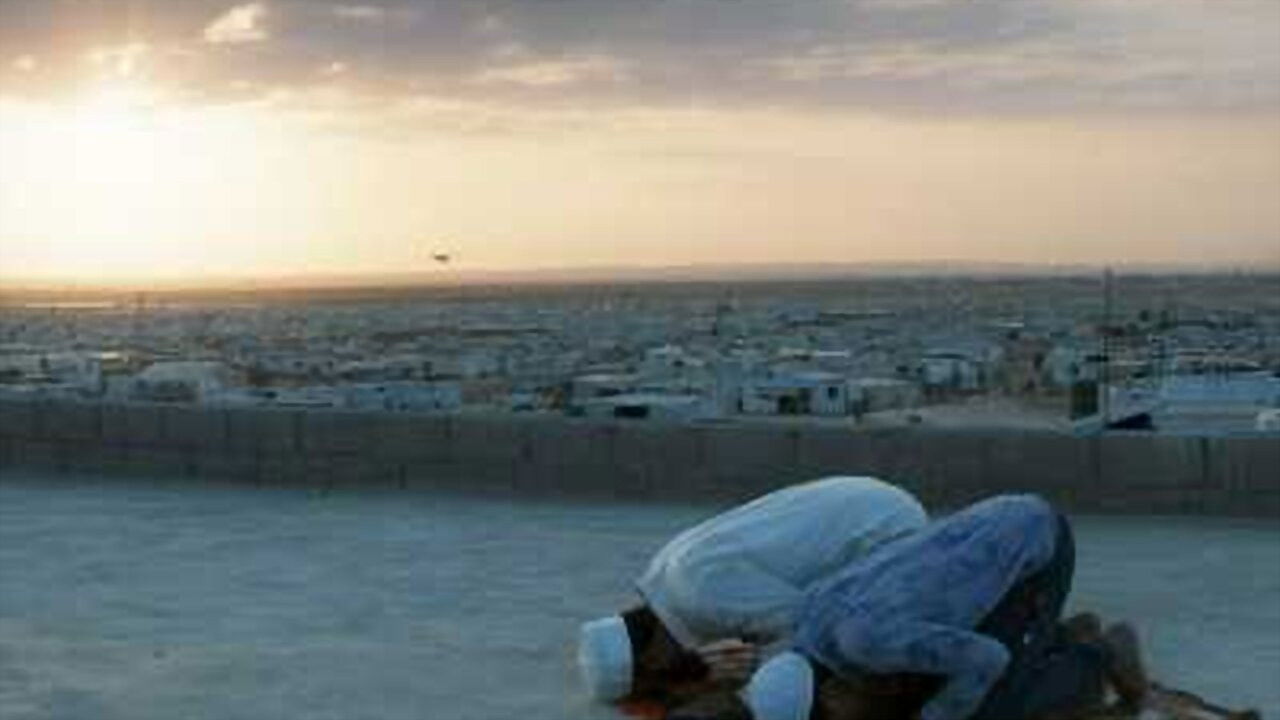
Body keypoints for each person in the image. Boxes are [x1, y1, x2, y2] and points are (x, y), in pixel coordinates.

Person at [711, 494, 1148, 720]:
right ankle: (1055, 634)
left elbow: (987, 659)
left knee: (993, 709)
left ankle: (1101, 653)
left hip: (1035, 551)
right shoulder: (808, 619)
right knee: (936, 674)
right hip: (991, 532)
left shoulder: (868, 641)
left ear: (825, 694)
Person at [578, 476, 929, 705]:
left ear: (652, 659)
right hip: (868, 499)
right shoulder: (667, 572)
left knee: (853, 660)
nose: (667, 688)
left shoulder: (702, 598)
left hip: (883, 530)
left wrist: (748, 687)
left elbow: (812, 625)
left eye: (654, 684)